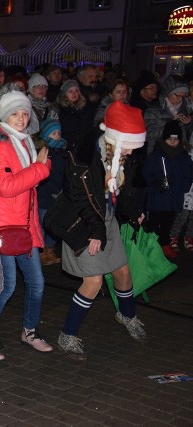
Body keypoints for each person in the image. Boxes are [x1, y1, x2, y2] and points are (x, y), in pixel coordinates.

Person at [55, 101, 149, 361]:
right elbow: (81, 199)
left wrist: (132, 210)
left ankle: (127, 315)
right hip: (83, 222)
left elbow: (121, 192)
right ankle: (68, 334)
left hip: (105, 219)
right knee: (94, 281)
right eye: (130, 145)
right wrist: (95, 231)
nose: (134, 152)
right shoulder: (83, 157)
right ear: (115, 139)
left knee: (123, 271)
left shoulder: (123, 156)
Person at [0, 90, 54, 361]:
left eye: (25, 113)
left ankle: (29, 330)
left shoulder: (25, 142)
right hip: (2, 229)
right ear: (5, 115)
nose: (21, 118)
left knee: (37, 284)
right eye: (16, 113)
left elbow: (26, 185)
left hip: (24, 226)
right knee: (6, 286)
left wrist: (37, 168)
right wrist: (40, 169)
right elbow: (6, 187)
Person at [144, 120, 193, 260]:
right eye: (169, 138)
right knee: (154, 223)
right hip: (159, 197)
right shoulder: (157, 155)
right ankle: (151, 246)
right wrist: (156, 183)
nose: (173, 142)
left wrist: (184, 186)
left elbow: (188, 174)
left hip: (174, 198)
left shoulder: (183, 156)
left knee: (168, 223)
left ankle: (164, 244)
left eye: (175, 139)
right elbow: (147, 172)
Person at [36, 118, 67, 265]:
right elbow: (42, 175)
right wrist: (53, 189)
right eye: (54, 133)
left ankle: (50, 248)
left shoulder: (62, 152)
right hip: (45, 195)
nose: (58, 136)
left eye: (59, 133)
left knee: (56, 224)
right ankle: (42, 251)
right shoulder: (44, 152)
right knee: (42, 224)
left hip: (59, 195)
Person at [144, 75, 193, 154]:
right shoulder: (154, 110)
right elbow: (148, 135)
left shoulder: (185, 109)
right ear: (168, 92)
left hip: (179, 154)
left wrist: (188, 124)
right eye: (177, 95)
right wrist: (171, 123)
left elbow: (188, 136)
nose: (180, 99)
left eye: (183, 96)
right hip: (159, 154)